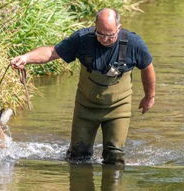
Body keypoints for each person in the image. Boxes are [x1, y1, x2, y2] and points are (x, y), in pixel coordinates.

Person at [10, 8, 155, 165]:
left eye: (110, 35)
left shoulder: (134, 43)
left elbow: (147, 67)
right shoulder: (82, 39)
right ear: (95, 27)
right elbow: (52, 52)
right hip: (85, 107)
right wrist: (26, 58)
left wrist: (149, 96)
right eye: (100, 34)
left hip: (117, 108)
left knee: (115, 156)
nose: (105, 39)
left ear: (118, 28)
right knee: (78, 157)